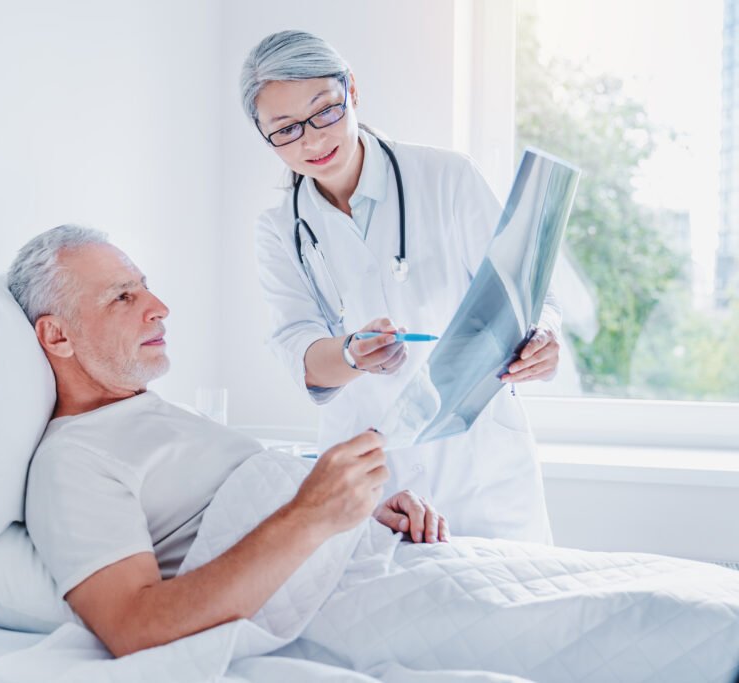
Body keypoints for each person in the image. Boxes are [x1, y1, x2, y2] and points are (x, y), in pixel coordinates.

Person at [7, 225, 447, 658]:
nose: (160, 307)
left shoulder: (155, 418)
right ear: (57, 336)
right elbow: (133, 628)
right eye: (123, 297)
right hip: (353, 599)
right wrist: (313, 512)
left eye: (145, 288)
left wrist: (363, 511)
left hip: (387, 555)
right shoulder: (73, 459)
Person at [241, 30, 562, 543]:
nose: (312, 139)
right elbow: (298, 350)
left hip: (480, 468)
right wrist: (351, 354)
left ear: (352, 91)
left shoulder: (447, 178)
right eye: (285, 129)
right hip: (372, 478)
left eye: (324, 110)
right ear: (264, 135)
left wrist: (542, 337)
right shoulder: (281, 228)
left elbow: (527, 293)